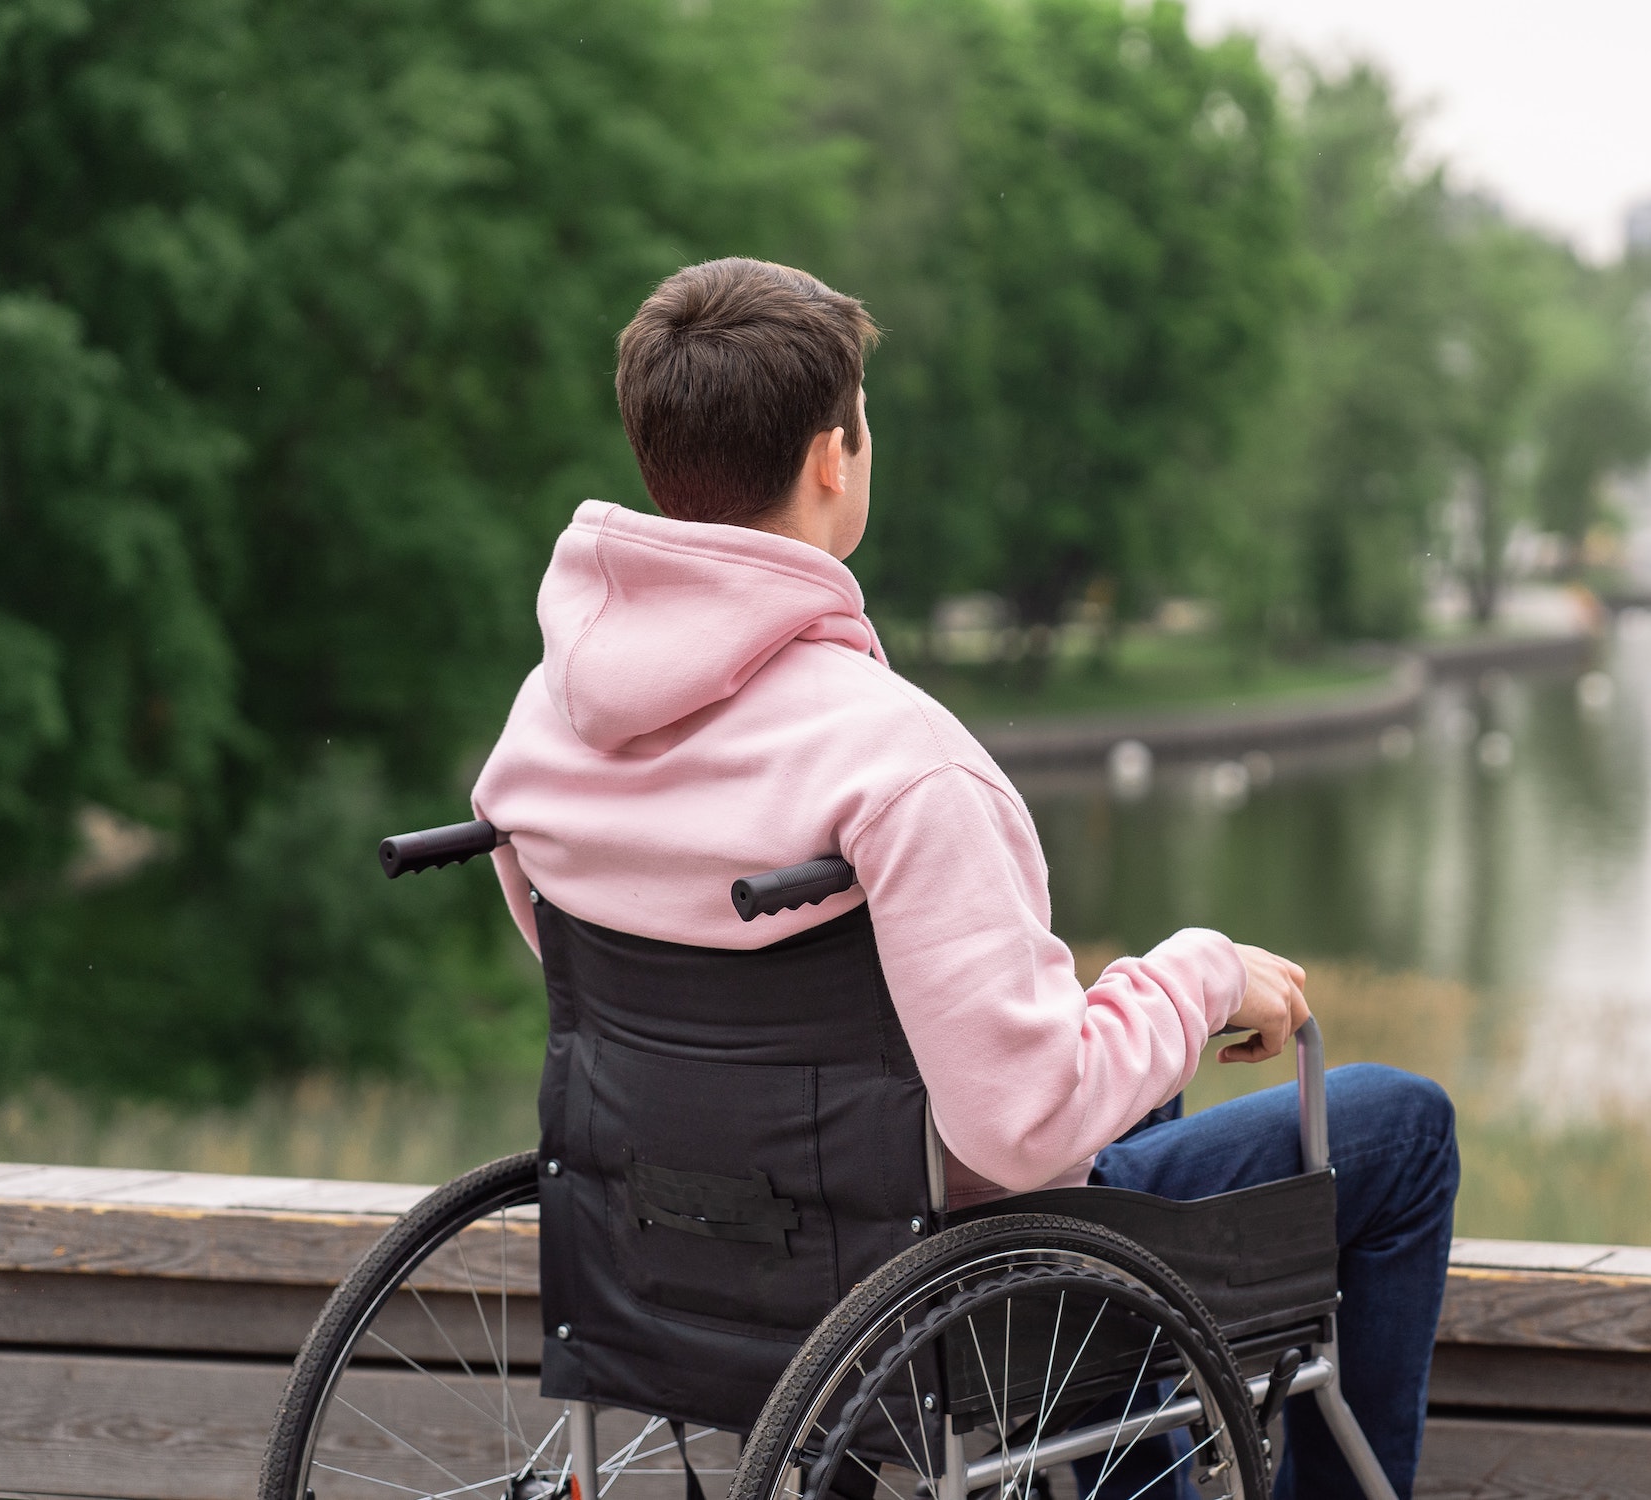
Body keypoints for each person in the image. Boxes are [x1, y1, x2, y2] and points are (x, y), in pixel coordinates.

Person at [472, 257, 1458, 1498]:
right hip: (928, 1283)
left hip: (681, 1249)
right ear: (835, 457)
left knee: (1131, 1092)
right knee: (1403, 1123)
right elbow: (1021, 1125)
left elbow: (600, 966)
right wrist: (1203, 975)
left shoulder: (547, 724)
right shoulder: (902, 761)